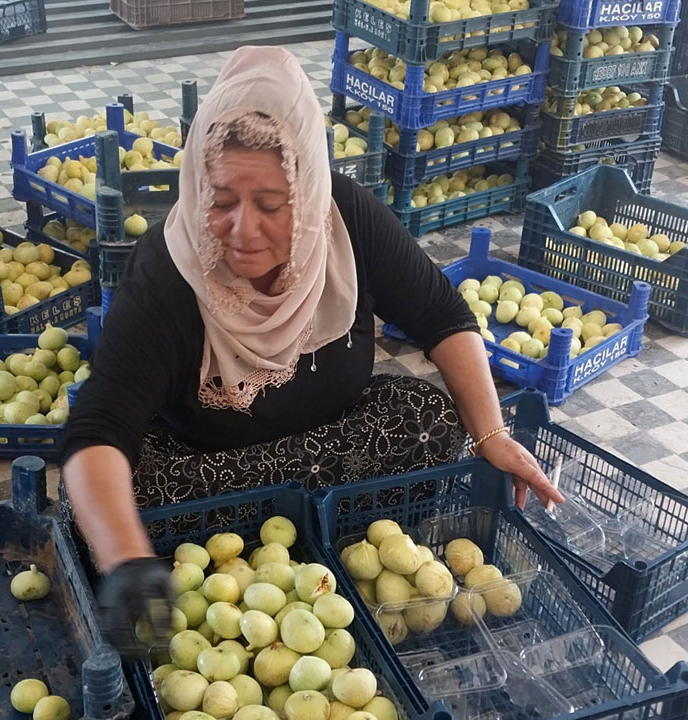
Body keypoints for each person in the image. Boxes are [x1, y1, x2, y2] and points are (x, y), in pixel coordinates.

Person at [60, 46, 563, 655]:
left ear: (308, 190)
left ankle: (310, 527)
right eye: (221, 201)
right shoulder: (168, 273)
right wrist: (125, 556)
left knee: (428, 416)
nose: (243, 230)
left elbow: (442, 316)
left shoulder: (346, 219)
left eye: (271, 205)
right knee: (108, 497)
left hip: (330, 442)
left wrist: (491, 434)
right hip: (208, 464)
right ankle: (307, 525)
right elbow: (100, 425)